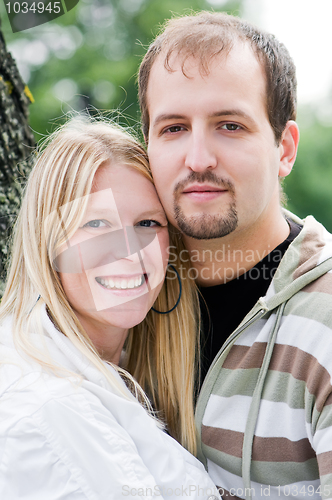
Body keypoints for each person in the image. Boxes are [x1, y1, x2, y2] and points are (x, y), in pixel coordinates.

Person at [138, 10, 332, 500]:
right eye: (174, 128)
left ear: (284, 149)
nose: (198, 158)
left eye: (229, 125)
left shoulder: (325, 326)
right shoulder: (122, 306)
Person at [0, 117, 221, 499]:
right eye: (97, 223)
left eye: (148, 223)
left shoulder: (119, 372)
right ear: (49, 244)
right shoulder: (46, 411)